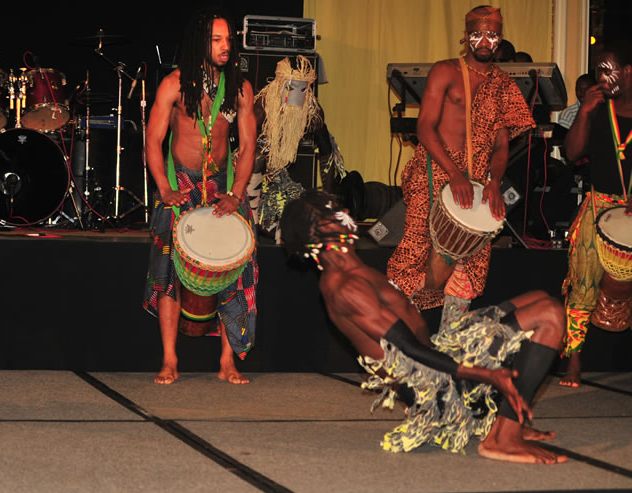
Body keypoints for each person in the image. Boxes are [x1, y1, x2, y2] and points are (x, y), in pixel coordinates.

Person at [281, 191, 567, 464]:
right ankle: (503, 436)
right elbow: (409, 349)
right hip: (434, 390)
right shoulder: (345, 286)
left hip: (440, 356)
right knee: (551, 314)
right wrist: (488, 375)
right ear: (316, 233)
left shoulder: (355, 270)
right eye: (333, 214)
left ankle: (497, 418)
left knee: (539, 299)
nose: (344, 212)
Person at [387, 6, 535, 323]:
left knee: (471, 264)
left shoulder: (505, 86)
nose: (485, 40)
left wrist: (494, 183)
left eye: (492, 34)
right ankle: (395, 336)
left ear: (500, 39)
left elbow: (501, 144)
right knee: (413, 255)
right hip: (435, 172)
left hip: (479, 181)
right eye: (478, 33)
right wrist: (454, 174)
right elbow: (424, 127)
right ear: (466, 36)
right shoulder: (445, 71)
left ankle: (449, 345)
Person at [142, 10, 257, 385]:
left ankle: (227, 362)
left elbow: (249, 145)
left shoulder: (239, 87)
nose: (226, 47)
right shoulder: (174, 85)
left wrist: (237, 196)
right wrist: (164, 188)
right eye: (217, 40)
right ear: (200, 44)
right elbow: (153, 140)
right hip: (179, 185)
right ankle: (170, 359)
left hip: (221, 188)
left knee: (235, 270)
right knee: (168, 274)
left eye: (229, 40)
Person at [560, 41, 632, 387]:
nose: (601, 77)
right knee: (582, 284)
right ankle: (574, 361)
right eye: (598, 70)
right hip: (598, 206)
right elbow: (572, 153)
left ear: (629, 72)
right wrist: (585, 112)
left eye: (608, 69)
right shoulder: (597, 111)